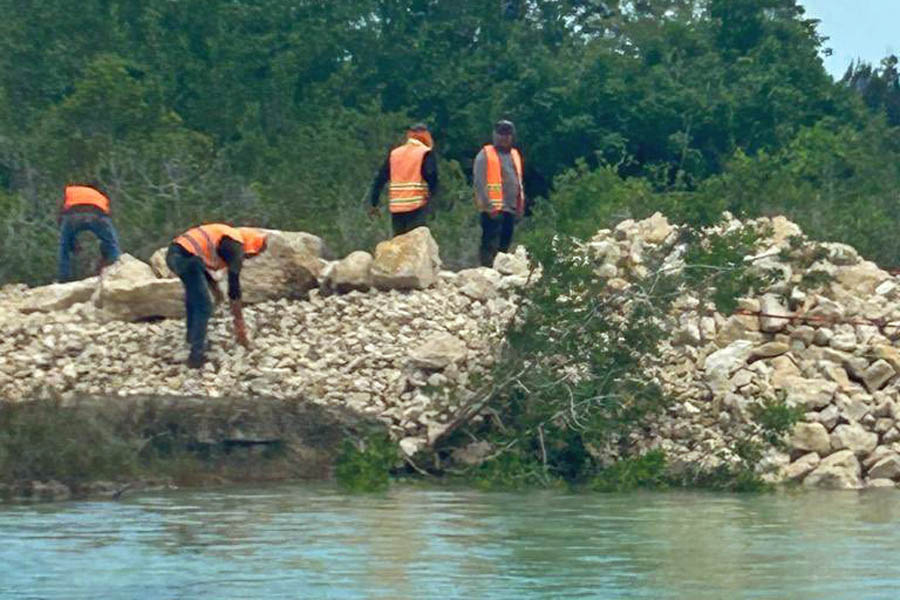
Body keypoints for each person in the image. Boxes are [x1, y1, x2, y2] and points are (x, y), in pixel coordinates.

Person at [165, 224, 268, 368]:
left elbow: (199, 260)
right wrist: (240, 326)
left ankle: (191, 337)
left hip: (175, 254)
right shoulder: (235, 247)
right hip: (185, 258)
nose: (248, 258)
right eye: (252, 255)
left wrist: (215, 288)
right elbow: (234, 288)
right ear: (252, 247)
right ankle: (196, 357)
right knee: (204, 306)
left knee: (194, 298)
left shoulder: (228, 236)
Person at [369, 123, 439, 237]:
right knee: (415, 242)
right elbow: (431, 175)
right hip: (416, 204)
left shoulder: (395, 153)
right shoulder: (424, 152)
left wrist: (374, 202)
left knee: (399, 242)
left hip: (397, 206)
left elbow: (380, 178)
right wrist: (432, 196)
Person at [473, 120, 525, 268]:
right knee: (490, 243)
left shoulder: (515, 154)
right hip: (492, 210)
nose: (504, 137)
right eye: (501, 133)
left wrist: (520, 205)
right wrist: (488, 205)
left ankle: (500, 271)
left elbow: (518, 181)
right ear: (495, 135)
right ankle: (486, 270)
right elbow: (479, 182)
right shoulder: (485, 154)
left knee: (505, 245)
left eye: (507, 134)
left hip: (511, 208)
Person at [57, 183, 122, 282]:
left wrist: (72, 243)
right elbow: (107, 215)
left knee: (64, 247)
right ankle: (119, 270)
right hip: (97, 214)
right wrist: (105, 254)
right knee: (111, 243)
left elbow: (61, 213)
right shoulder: (100, 195)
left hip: (74, 215)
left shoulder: (70, 190)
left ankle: (63, 278)